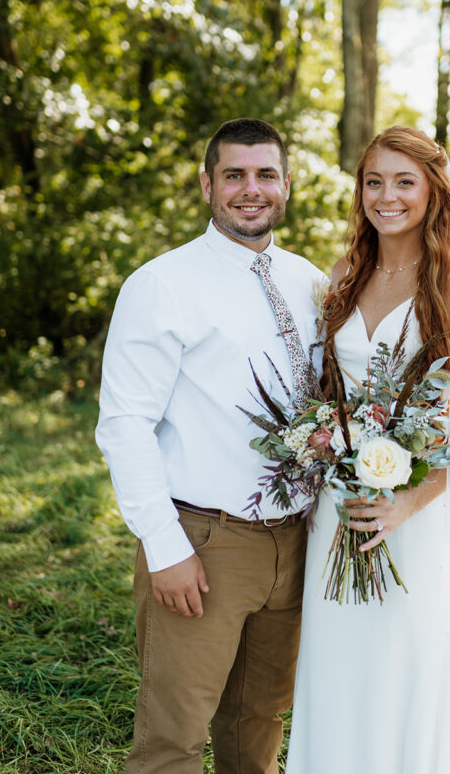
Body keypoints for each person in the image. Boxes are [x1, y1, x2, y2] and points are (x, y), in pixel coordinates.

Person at [95, 118, 324, 774]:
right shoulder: (163, 284)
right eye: (234, 175)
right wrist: (165, 549)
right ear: (207, 185)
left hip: (296, 542)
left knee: (258, 724)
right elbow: (125, 423)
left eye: (265, 174)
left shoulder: (310, 282)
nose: (250, 189)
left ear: (286, 185)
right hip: (205, 542)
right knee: (173, 737)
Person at [285, 126, 450, 774]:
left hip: (411, 516)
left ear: (433, 191)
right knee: (336, 667)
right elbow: (322, 387)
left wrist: (408, 502)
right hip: (338, 505)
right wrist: (323, 451)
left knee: (404, 668)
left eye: (403, 182)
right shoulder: (346, 274)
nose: (386, 196)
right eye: (374, 181)